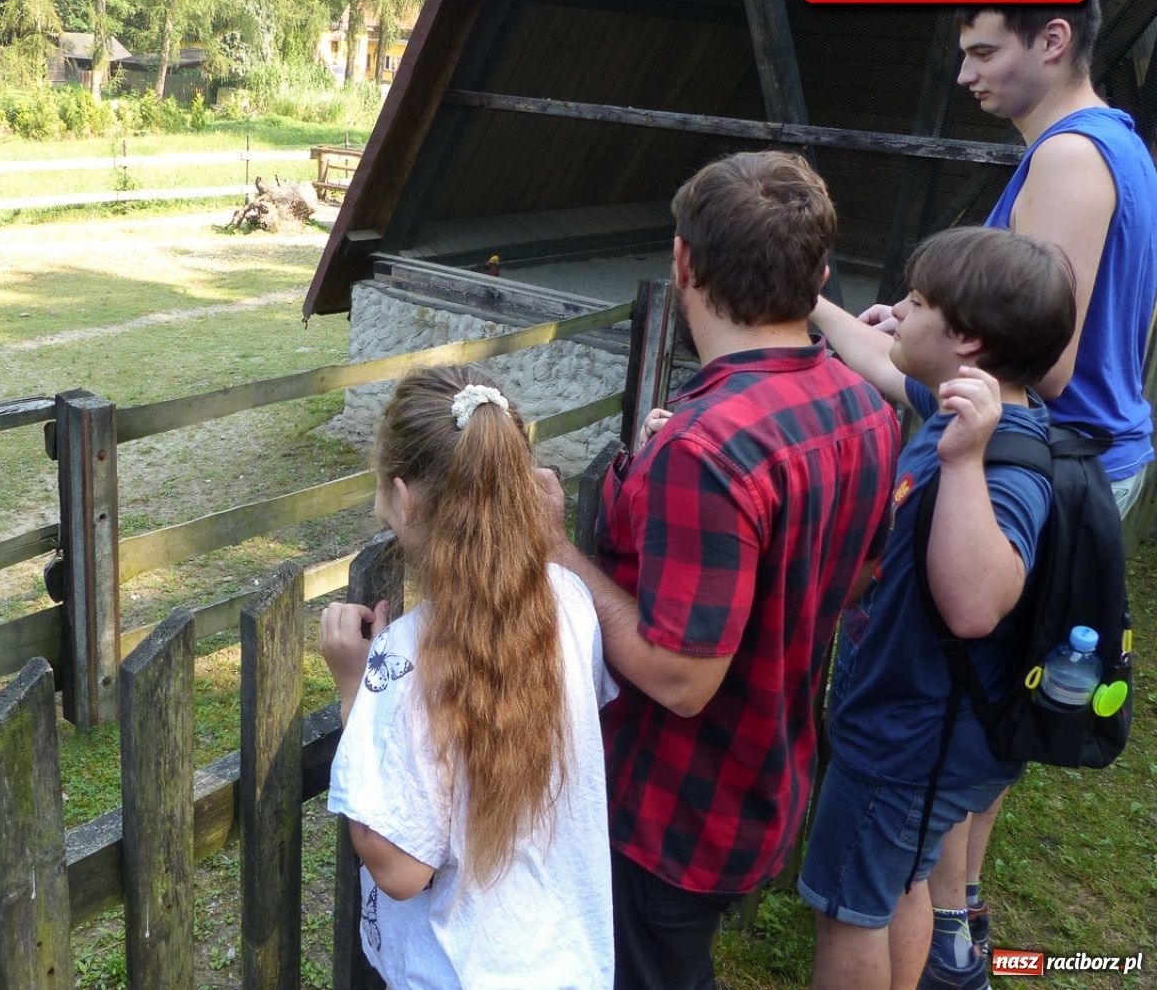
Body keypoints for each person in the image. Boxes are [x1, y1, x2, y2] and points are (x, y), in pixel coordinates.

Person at [858, 0, 1157, 968]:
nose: (965, 73)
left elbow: (1048, 355)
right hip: (1081, 460)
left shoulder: (1070, 158)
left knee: (957, 703)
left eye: (984, 49)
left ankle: (943, 936)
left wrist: (903, 350)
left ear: (1053, 36)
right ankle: (964, 909)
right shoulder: (1116, 141)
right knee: (993, 702)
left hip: (1042, 462)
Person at [540, 149, 901, 990]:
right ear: (817, 276)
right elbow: (855, 575)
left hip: (674, 814)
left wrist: (557, 549)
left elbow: (681, 677)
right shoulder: (862, 404)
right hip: (768, 775)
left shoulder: (707, 448)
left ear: (683, 262)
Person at [804, 227, 1077, 990]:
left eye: (918, 302)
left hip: (908, 741)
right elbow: (869, 356)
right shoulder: (967, 405)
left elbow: (974, 605)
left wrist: (959, 462)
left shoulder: (996, 461)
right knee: (900, 883)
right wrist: (813, 304)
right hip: (916, 730)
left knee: (848, 909)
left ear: (967, 339)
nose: (898, 309)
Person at [321, 364, 618, 989]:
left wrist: (355, 691)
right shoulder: (569, 599)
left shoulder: (405, 657)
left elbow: (401, 870)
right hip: (569, 961)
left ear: (404, 500)